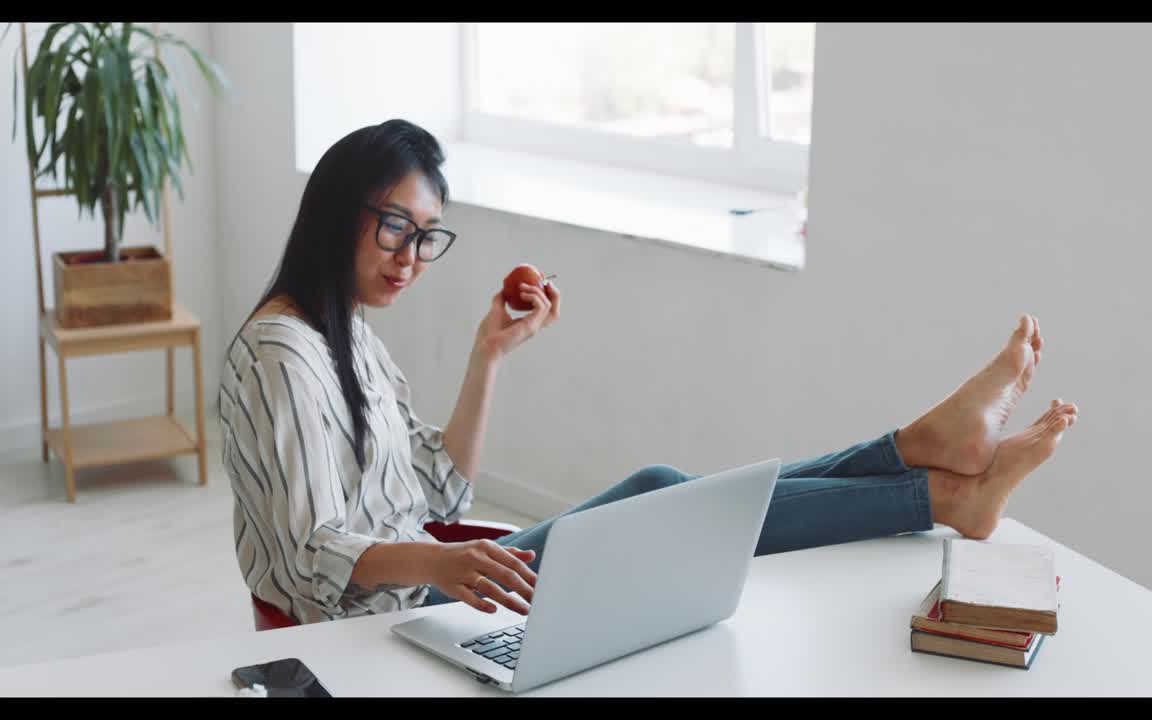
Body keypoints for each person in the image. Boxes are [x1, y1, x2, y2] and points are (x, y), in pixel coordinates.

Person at [218, 119, 1079, 625]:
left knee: (675, 498)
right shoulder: (285, 355)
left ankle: (921, 465)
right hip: (385, 620)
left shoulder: (349, 335)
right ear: (339, 210)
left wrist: (489, 356)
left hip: (437, 585)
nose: (412, 256)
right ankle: (927, 477)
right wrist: (442, 569)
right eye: (396, 227)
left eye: (427, 235)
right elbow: (306, 561)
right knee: (670, 496)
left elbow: (438, 495)